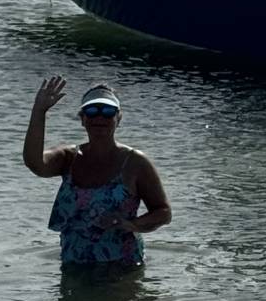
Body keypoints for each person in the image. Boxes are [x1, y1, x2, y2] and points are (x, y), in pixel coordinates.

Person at [24, 77, 171, 268]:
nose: (99, 118)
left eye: (108, 111)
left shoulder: (135, 163)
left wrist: (131, 225)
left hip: (121, 267)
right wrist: (39, 112)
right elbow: (35, 163)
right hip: (73, 265)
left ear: (118, 118)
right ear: (82, 119)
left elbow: (163, 212)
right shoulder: (68, 158)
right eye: (92, 111)